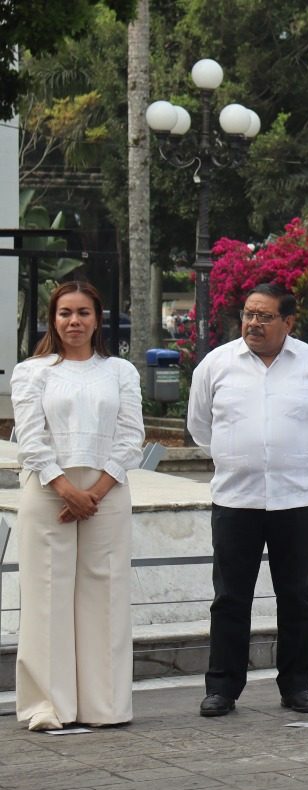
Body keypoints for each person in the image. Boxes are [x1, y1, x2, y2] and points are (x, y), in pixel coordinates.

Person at [189, 283, 308, 717]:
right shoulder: (216, 364)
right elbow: (200, 427)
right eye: (248, 314)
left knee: (296, 597)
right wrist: (239, 456)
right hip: (236, 500)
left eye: (265, 316)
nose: (253, 323)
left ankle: (296, 686)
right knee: (230, 598)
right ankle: (222, 688)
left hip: (297, 500)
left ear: (288, 322)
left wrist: (294, 455)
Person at [11, 282, 144, 731]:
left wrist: (97, 492)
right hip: (49, 487)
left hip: (108, 489)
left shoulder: (120, 371)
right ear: (53, 319)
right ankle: (48, 706)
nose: (74, 321)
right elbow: (31, 439)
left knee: (105, 594)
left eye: (83, 312)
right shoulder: (33, 372)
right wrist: (66, 489)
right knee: (47, 595)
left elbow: (131, 436)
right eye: (65, 313)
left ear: (97, 318)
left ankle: (105, 705)